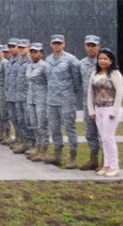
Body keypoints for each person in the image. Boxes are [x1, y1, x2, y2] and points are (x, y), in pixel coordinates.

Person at [43, 34, 81, 168]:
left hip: (66, 99)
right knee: (54, 128)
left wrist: (69, 93)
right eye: (55, 43)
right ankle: (57, 155)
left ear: (64, 44)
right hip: (52, 99)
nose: (57, 45)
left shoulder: (71, 60)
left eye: (59, 43)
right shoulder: (47, 60)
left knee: (70, 127)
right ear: (51, 44)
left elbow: (77, 81)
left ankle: (73, 157)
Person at [87, 48, 123, 177]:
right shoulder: (95, 73)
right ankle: (106, 164)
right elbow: (90, 92)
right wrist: (91, 109)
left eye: (105, 59)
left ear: (110, 60)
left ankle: (114, 165)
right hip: (99, 109)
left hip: (110, 109)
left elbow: (120, 92)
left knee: (109, 138)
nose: (102, 61)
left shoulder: (114, 73)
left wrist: (114, 111)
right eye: (100, 58)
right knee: (103, 138)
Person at [79, 35, 102, 170]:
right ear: (85, 46)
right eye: (89, 45)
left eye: (93, 45)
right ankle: (93, 158)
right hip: (87, 102)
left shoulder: (104, 62)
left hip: (103, 102)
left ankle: (107, 160)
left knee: (104, 132)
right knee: (90, 131)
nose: (91, 48)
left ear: (98, 46)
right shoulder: (82, 63)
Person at [25, 43, 49, 162]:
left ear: (41, 53)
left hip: (42, 99)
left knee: (42, 125)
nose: (33, 54)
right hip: (31, 98)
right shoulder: (29, 66)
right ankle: (37, 147)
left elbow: (50, 83)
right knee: (34, 124)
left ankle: (43, 149)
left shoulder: (45, 66)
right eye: (32, 52)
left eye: (36, 52)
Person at [13, 39, 35, 154]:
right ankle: (24, 142)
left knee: (29, 121)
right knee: (20, 120)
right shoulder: (17, 61)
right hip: (18, 96)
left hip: (28, 96)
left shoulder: (31, 60)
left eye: (23, 47)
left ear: (28, 47)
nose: (21, 49)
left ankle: (33, 144)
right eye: (19, 47)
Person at [2, 38, 19, 146]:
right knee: (14, 118)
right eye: (10, 47)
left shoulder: (22, 61)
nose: (11, 50)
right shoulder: (9, 63)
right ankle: (18, 138)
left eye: (13, 47)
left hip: (20, 96)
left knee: (22, 119)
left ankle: (23, 140)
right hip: (10, 95)